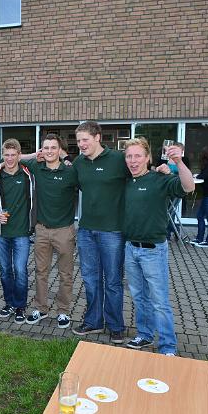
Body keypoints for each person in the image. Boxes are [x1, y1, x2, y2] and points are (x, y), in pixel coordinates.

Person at [123, 138, 194, 355]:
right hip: (130, 248)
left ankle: (167, 346)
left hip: (153, 250)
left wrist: (178, 162)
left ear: (148, 158)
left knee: (159, 301)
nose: (133, 161)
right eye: (129, 156)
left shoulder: (160, 179)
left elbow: (188, 186)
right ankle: (145, 335)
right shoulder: (126, 182)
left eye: (138, 156)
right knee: (139, 297)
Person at [71, 121, 128, 344]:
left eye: (85, 139)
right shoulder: (79, 163)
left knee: (112, 281)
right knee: (90, 279)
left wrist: (164, 168)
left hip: (112, 231)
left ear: (97, 137)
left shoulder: (118, 160)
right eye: (78, 141)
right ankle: (94, 321)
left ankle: (115, 326)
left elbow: (140, 175)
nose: (81, 144)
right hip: (86, 231)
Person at [23, 134, 78, 328]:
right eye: (45, 148)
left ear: (60, 150)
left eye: (53, 147)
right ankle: (41, 308)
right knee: (41, 271)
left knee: (66, 273)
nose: (49, 151)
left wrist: (68, 159)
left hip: (64, 230)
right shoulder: (37, 167)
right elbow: (13, 158)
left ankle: (63, 311)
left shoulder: (71, 171)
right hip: (42, 230)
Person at [0, 139, 36, 324]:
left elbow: (41, 156)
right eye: (6, 155)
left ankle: (20, 306)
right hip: (2, 233)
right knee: (5, 271)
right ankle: (9, 303)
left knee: (20, 271)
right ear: (2, 155)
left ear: (19, 155)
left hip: (22, 232)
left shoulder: (28, 173)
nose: (9, 158)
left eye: (13, 155)